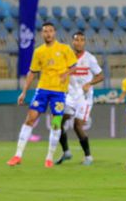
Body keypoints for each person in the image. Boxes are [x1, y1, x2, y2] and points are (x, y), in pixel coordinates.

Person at [7, 22, 77, 168]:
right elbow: (32, 72)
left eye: (50, 31)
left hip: (59, 93)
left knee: (56, 123)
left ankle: (49, 157)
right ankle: (17, 155)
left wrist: (66, 73)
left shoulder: (64, 49)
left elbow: (74, 67)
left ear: (55, 33)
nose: (48, 34)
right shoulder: (39, 51)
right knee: (30, 119)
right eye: (45, 31)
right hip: (42, 91)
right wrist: (24, 91)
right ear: (41, 34)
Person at [56, 32, 104, 165]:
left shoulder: (90, 58)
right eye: (77, 40)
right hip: (69, 95)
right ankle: (66, 152)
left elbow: (101, 76)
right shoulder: (67, 57)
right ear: (73, 42)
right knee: (57, 122)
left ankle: (88, 156)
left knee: (78, 125)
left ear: (85, 42)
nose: (79, 42)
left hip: (84, 97)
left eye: (82, 40)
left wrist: (90, 83)